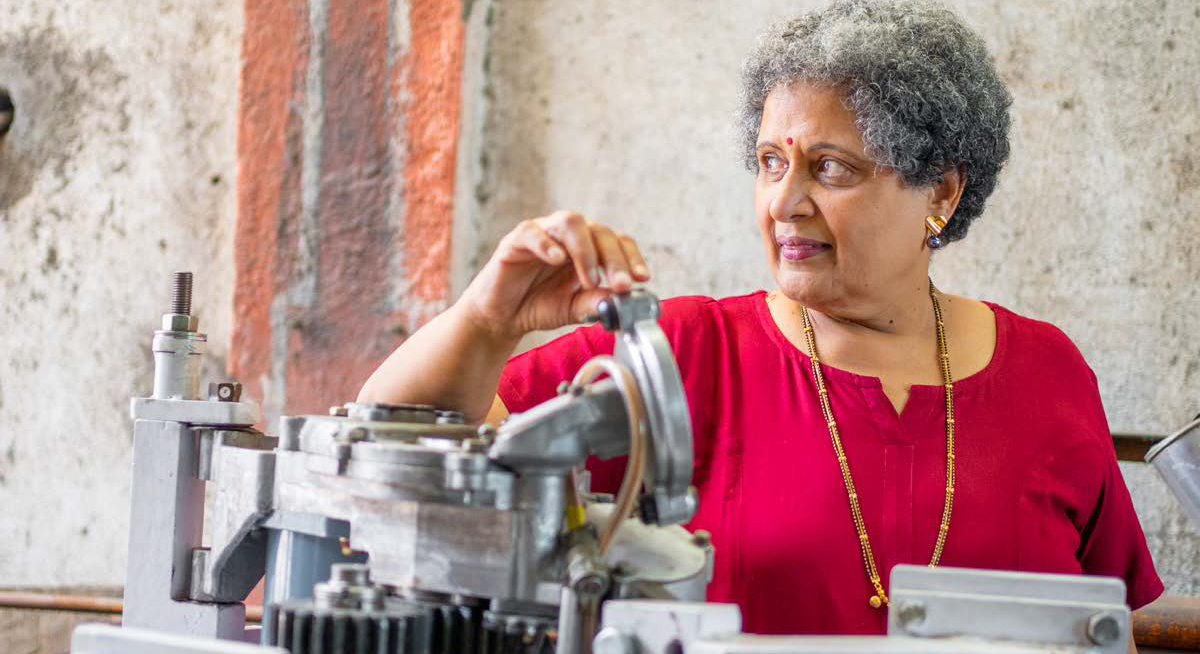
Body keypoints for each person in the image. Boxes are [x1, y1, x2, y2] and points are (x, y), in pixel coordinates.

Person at [358, 0, 1162, 639]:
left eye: (830, 168)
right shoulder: (681, 352)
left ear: (941, 193)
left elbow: (1106, 628)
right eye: (771, 162)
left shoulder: (1048, 373)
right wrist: (488, 319)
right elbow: (391, 447)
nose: (784, 201)